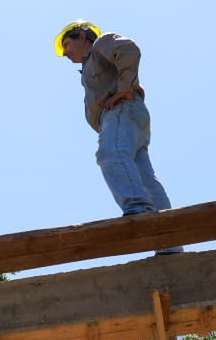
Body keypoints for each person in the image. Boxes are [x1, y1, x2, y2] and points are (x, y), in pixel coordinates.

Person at [56, 21, 181, 253]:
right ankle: (170, 245)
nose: (64, 52)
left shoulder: (101, 44)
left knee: (110, 154)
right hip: (125, 117)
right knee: (145, 178)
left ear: (82, 36)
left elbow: (128, 49)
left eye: (67, 44)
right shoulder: (87, 67)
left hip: (122, 108)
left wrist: (124, 87)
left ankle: (138, 211)